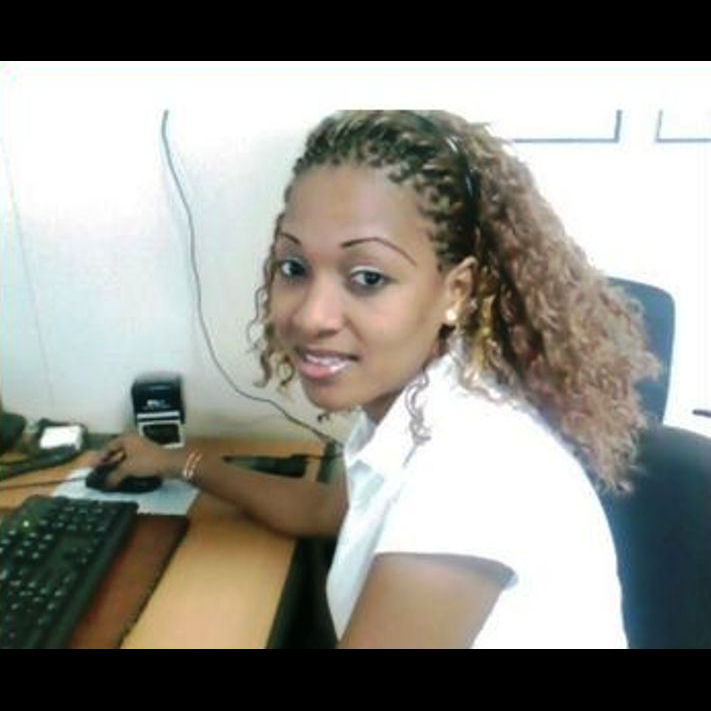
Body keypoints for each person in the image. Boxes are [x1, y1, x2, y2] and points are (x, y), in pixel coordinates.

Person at [91, 110, 660, 648]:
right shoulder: (423, 405)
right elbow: (323, 511)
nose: (312, 316)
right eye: (294, 267)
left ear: (456, 291)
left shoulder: (473, 473)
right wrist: (177, 462)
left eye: (367, 278)